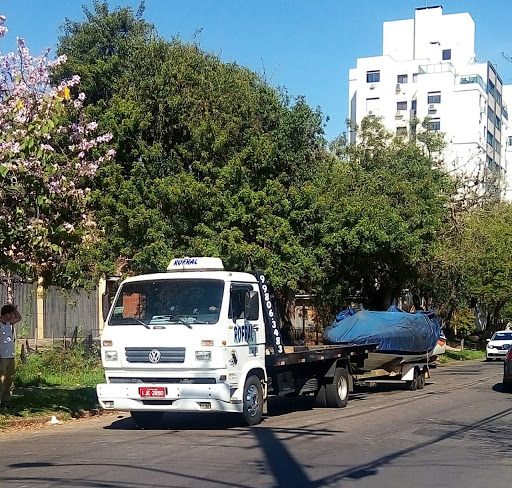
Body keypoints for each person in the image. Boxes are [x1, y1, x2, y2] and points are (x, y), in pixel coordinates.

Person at [0, 304, 21, 408]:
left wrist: (14, 309)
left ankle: (6, 402)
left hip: (10, 356)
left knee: (9, 380)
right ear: (7, 314)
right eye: (11, 313)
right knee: (1, 380)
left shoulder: (8, 323)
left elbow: (19, 318)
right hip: (2, 357)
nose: (13, 315)